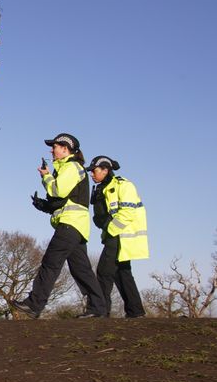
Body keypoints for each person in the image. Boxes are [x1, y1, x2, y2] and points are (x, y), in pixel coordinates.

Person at [14, 133, 106, 319]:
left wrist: (46, 177)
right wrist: (44, 205)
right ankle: (98, 308)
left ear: (65, 149)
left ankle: (34, 304)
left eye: (54, 146)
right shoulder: (70, 168)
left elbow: (58, 191)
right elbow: (61, 200)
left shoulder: (71, 167)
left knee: (51, 263)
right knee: (81, 270)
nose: (51, 150)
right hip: (76, 226)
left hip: (70, 224)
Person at [86, 155, 148, 318]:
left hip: (120, 236)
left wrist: (110, 229)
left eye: (94, 171)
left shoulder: (124, 185)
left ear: (106, 170)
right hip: (113, 236)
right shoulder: (103, 188)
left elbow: (128, 213)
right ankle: (136, 312)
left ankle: (98, 311)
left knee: (104, 271)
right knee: (122, 273)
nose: (92, 174)